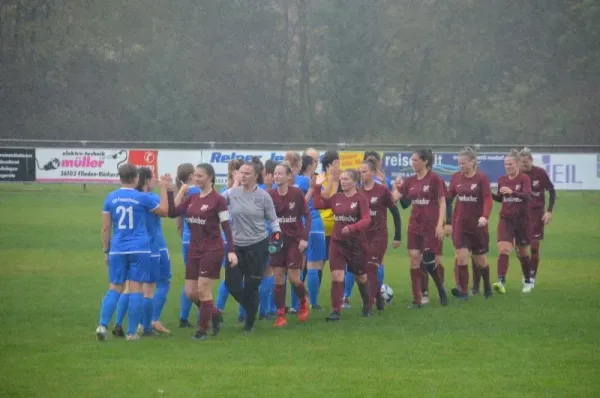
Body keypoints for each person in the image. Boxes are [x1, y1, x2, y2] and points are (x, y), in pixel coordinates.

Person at [96, 164, 168, 341]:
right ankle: (131, 332)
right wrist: (164, 189)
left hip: (118, 248)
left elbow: (106, 227)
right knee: (136, 288)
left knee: (115, 287)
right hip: (140, 248)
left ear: (120, 178)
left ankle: (102, 325)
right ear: (136, 178)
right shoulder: (142, 198)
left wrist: (107, 250)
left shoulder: (110, 198)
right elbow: (165, 212)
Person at [167, 163, 236, 340]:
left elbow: (226, 227)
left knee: (203, 289)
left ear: (210, 177)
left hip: (212, 249)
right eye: (195, 176)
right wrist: (172, 192)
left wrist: (231, 250)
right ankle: (214, 313)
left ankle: (202, 330)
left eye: (200, 176)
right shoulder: (192, 198)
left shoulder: (218, 200)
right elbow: (172, 213)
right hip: (194, 249)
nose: (196, 179)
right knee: (191, 292)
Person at [221, 162, 282, 334]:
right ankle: (251, 309)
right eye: (241, 173)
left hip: (258, 245)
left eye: (247, 173)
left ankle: (249, 322)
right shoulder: (231, 193)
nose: (243, 176)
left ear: (256, 176)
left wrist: (277, 237)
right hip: (236, 246)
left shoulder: (263, 196)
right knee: (231, 283)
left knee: (251, 285)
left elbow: (273, 220)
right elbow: (216, 202)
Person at [312, 169, 372, 320]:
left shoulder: (360, 198)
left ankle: (367, 306)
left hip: (356, 244)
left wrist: (352, 228)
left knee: (361, 277)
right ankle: (335, 312)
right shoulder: (336, 197)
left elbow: (366, 220)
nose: (343, 181)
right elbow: (318, 204)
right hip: (337, 242)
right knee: (337, 275)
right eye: (342, 179)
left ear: (354, 182)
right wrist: (317, 187)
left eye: (346, 179)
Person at [393, 149, 449, 308]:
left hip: (430, 225)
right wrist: (391, 188)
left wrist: (440, 224)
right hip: (414, 225)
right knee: (414, 258)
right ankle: (417, 299)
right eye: (412, 160)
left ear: (425, 161)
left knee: (429, 261)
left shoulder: (434, 179)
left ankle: (440, 289)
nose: (412, 163)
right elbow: (395, 199)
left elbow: (443, 202)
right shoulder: (410, 181)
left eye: (415, 160)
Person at [447, 147, 493, 300]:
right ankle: (463, 291)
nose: (461, 166)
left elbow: (487, 198)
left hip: (478, 225)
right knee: (461, 256)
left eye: (463, 163)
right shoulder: (455, 178)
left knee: (481, 260)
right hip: (460, 224)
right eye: (459, 163)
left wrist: (485, 216)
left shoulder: (482, 178)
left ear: (472, 162)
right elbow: (448, 198)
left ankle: (487, 286)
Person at [270, 163, 312, 326]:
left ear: (289, 177)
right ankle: (280, 316)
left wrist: (304, 239)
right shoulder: (270, 195)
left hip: (294, 241)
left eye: (280, 173)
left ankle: (303, 301)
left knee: (294, 279)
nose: (277, 176)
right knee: (278, 277)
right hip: (276, 240)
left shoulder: (296, 193)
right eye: (275, 174)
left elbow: (307, 217)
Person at [358, 159, 402, 311]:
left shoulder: (382, 190)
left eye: (364, 171)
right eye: (360, 172)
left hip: (379, 236)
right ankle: (379, 300)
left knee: (371, 268)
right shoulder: (359, 192)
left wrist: (398, 236)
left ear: (372, 173)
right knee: (364, 269)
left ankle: (368, 305)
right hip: (363, 237)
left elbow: (395, 213)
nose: (361, 174)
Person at [492, 149, 534, 294]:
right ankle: (501, 281)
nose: (508, 166)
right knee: (504, 249)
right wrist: (489, 194)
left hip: (522, 221)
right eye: (506, 164)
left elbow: (528, 196)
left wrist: (512, 192)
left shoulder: (524, 179)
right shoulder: (502, 180)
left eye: (510, 164)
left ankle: (528, 280)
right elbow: (500, 198)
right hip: (506, 219)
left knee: (522, 252)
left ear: (517, 164)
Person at [520, 147, 555, 287]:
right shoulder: (518, 174)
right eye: (521, 162)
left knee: (534, 247)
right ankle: (526, 273)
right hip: (520, 215)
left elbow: (552, 191)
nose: (524, 165)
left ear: (531, 160)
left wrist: (549, 211)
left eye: (526, 162)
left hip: (536, 214)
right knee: (521, 249)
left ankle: (532, 276)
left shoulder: (540, 173)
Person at [215, 159, 245, 313]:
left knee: (237, 277)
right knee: (231, 277)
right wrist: (235, 184)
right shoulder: (225, 192)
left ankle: (242, 312)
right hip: (232, 239)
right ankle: (219, 309)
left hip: (243, 238)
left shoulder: (247, 190)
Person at [174, 163, 202, 328]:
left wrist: (183, 235)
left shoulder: (182, 193)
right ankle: (203, 317)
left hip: (186, 239)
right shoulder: (197, 192)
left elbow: (178, 221)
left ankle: (183, 318)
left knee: (190, 279)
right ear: (192, 175)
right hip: (199, 241)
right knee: (201, 281)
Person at [300, 149, 326, 310]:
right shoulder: (310, 182)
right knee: (314, 265)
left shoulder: (295, 180)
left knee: (299, 265)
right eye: (315, 162)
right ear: (310, 165)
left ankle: (298, 302)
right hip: (314, 223)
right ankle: (314, 303)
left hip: (298, 225)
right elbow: (324, 196)